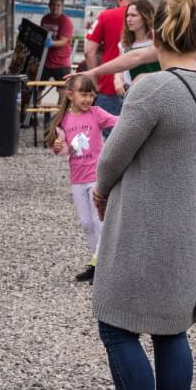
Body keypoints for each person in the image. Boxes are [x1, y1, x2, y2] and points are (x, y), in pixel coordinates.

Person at [83, 0, 196, 390]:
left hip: (146, 222)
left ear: (160, 34)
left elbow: (112, 158)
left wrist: (101, 194)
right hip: (193, 222)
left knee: (116, 323)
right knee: (172, 329)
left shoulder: (152, 88)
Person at [47, 74, 116, 283]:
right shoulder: (63, 120)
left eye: (91, 94)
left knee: (99, 222)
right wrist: (58, 147)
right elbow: (63, 149)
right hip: (77, 180)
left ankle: (100, 265)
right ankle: (97, 262)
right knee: (86, 223)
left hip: (96, 177)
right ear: (70, 95)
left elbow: (117, 122)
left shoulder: (96, 113)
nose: (88, 99)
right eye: (83, 94)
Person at [83, 0, 140, 115]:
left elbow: (88, 52)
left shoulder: (106, 16)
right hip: (140, 89)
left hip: (108, 88)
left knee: (107, 135)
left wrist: (95, 82)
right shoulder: (149, 19)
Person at [115, 0, 157, 95]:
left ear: (145, 17)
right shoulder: (125, 44)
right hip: (130, 96)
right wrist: (118, 80)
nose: (128, 19)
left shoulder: (158, 41)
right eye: (127, 15)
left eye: (133, 15)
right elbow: (120, 67)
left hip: (154, 95)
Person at [37, 0, 74, 80]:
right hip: (45, 61)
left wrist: (52, 43)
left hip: (61, 63)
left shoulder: (65, 21)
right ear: (49, 5)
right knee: (37, 88)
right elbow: (41, 33)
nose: (55, 7)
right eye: (53, 4)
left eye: (58, 5)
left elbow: (64, 41)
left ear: (62, 6)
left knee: (63, 90)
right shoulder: (45, 18)